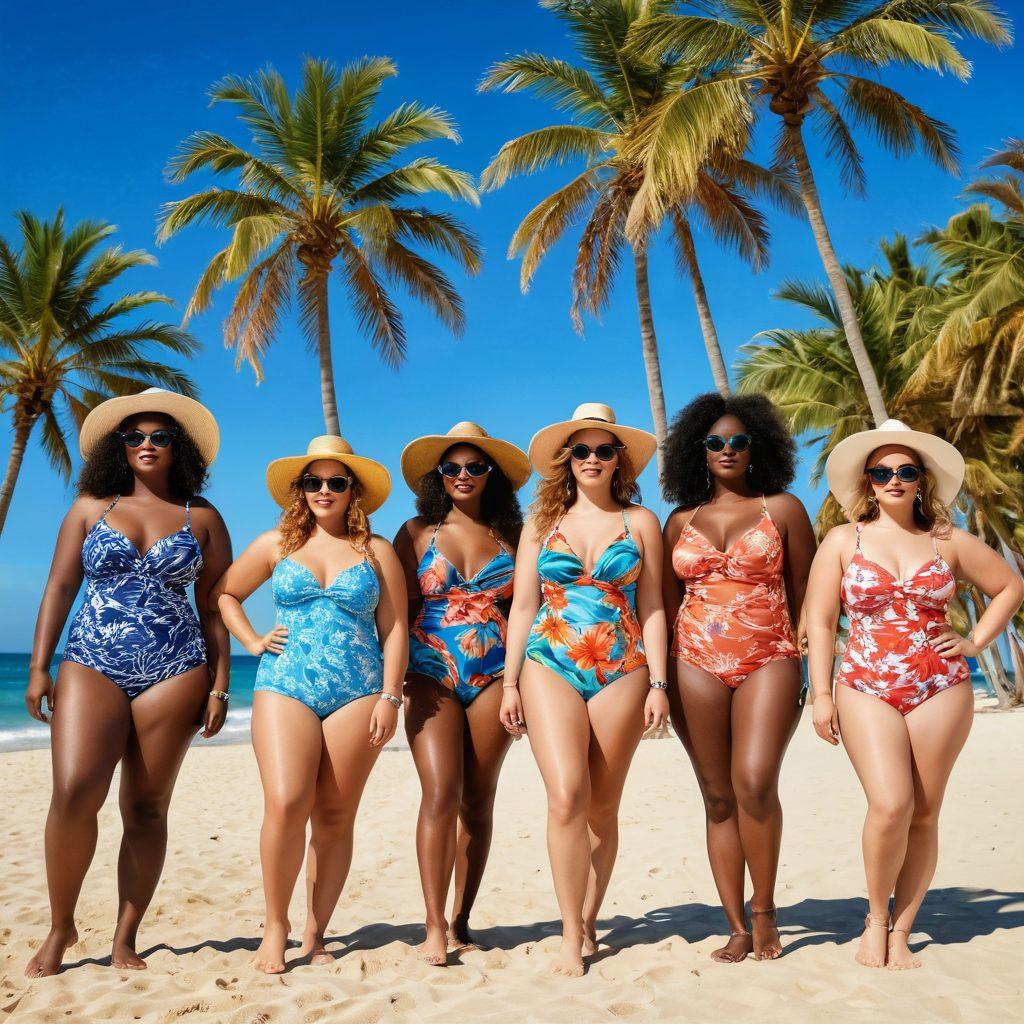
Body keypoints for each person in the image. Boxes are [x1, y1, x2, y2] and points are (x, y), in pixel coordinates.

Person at [24, 388, 232, 977]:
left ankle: (125, 937)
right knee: (73, 792)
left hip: (177, 668)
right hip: (90, 661)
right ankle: (61, 926)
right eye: (134, 436)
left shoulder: (204, 518)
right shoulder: (92, 507)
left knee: (145, 807)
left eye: (159, 436)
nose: (146, 444)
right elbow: (60, 587)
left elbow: (215, 605)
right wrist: (41, 665)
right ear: (119, 446)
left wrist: (219, 685)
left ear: (177, 448)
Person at [805, 419, 1023, 970]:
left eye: (905, 470)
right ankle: (876, 917)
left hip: (941, 686)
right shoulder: (841, 540)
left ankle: (903, 928)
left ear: (922, 479)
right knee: (890, 803)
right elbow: (822, 619)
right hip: (864, 685)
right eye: (882, 472)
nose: (894, 479)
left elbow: (1010, 586)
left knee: (924, 814)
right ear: (868, 482)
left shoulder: (948, 541)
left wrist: (975, 642)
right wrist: (821, 695)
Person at [213, 435, 408, 974]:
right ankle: (275, 926)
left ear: (353, 492)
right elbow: (225, 594)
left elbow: (394, 631)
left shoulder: (378, 551)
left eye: (336, 482)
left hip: (360, 690)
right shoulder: (276, 543)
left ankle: (316, 932)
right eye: (313, 482)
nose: (324, 490)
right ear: (299, 490)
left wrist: (391, 697)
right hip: (284, 684)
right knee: (286, 802)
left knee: (336, 815)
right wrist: (251, 641)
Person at [501, 403, 669, 977]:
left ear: (619, 460)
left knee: (603, 803)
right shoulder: (540, 525)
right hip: (549, 659)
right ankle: (571, 932)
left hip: (623, 667)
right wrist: (509, 683)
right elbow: (522, 604)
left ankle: (592, 915)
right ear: (566, 461)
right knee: (567, 794)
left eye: (604, 449)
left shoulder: (640, 522)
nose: (593, 459)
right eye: (582, 450)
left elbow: (653, 608)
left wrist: (660, 683)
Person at [660, 393, 816, 963]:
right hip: (693, 661)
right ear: (697, 451)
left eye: (739, 441)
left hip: (770, 654)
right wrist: (660, 679)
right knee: (718, 797)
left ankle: (765, 910)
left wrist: (815, 667)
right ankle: (736, 925)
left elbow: (808, 600)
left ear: (758, 449)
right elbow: (665, 602)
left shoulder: (785, 510)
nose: (727, 450)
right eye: (715, 442)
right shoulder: (681, 521)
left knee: (753, 782)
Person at [394, 421, 530, 964]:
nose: (463, 475)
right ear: (438, 477)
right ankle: (432, 925)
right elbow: (398, 609)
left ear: (491, 475)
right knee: (440, 793)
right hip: (430, 674)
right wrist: (389, 679)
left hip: (496, 674)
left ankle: (462, 919)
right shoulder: (416, 532)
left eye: (475, 467)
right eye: (452, 468)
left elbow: (526, 610)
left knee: (479, 799)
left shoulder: (510, 538)